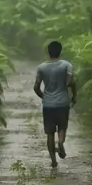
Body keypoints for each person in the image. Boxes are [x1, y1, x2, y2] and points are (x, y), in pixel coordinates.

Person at [34, 41, 77, 169]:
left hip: (48, 105)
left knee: (50, 133)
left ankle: (53, 161)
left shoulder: (41, 67)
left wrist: (45, 96)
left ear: (48, 51)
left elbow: (36, 87)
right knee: (62, 127)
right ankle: (61, 142)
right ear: (60, 51)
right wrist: (74, 95)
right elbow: (70, 82)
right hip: (63, 102)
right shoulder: (66, 65)